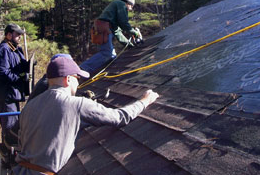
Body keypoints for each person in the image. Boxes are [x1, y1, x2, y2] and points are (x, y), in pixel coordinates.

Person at [13, 56, 159, 175]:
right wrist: (145, 101)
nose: (78, 83)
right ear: (68, 79)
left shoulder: (29, 106)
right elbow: (119, 117)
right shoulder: (77, 104)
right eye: (77, 78)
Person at [0, 24, 30, 149]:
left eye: (19, 35)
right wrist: (20, 77)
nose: (19, 37)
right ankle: (8, 154)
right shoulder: (4, 49)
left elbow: (19, 66)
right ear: (8, 35)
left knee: (13, 126)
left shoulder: (14, 49)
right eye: (17, 34)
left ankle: (10, 151)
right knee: (9, 127)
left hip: (12, 95)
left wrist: (28, 66)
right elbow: (2, 72)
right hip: (6, 95)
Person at [80, 0, 141, 75]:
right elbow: (124, 23)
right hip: (104, 29)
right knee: (108, 53)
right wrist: (135, 32)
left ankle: (93, 71)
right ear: (129, 3)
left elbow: (118, 33)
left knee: (112, 56)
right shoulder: (121, 4)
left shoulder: (113, 15)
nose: (130, 9)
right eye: (131, 7)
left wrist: (129, 45)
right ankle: (82, 68)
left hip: (101, 29)